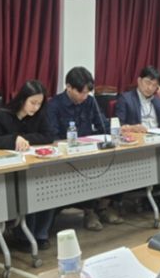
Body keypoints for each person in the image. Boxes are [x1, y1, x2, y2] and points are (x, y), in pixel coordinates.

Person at [48, 66, 121, 230]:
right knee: (88, 170)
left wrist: (120, 131)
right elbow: (52, 136)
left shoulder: (90, 101)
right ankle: (89, 211)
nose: (84, 96)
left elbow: (102, 124)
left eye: (87, 93)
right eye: (81, 93)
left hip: (90, 150)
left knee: (116, 161)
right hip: (67, 156)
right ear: (68, 87)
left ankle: (103, 207)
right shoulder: (54, 105)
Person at [0, 80, 55, 250]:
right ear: (22, 99)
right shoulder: (0, 115)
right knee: (27, 187)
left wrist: (25, 139)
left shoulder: (39, 115)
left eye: (39, 103)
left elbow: (48, 136)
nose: (36, 107)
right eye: (32, 102)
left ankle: (41, 234)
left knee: (48, 186)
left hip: (32, 165)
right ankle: (23, 236)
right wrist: (14, 139)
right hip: (6, 169)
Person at [115, 65, 160, 132]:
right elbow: (117, 126)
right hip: (138, 136)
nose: (150, 88)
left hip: (159, 136)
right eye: (148, 83)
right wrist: (132, 128)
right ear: (139, 81)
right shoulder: (126, 99)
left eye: (154, 85)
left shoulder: (158, 100)